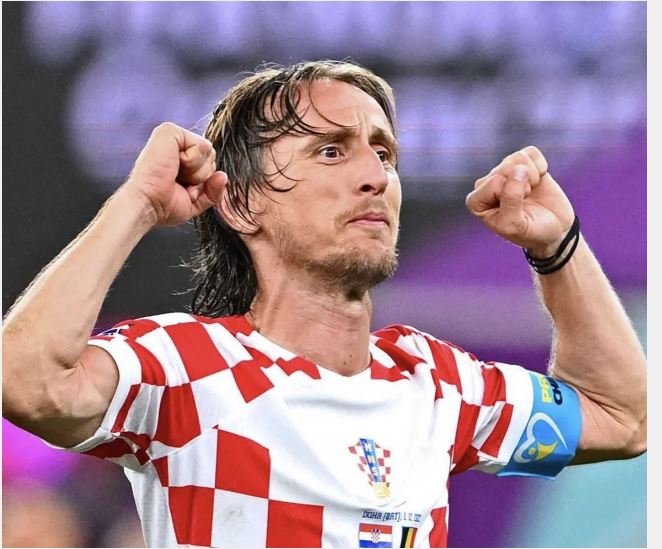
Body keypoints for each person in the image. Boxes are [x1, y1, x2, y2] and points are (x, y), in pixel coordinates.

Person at [2, 60, 647, 548]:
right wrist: (137, 204)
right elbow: (25, 381)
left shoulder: (437, 384)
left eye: (384, 153)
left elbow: (622, 418)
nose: (375, 176)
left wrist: (559, 247)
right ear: (242, 203)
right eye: (331, 150)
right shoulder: (186, 367)